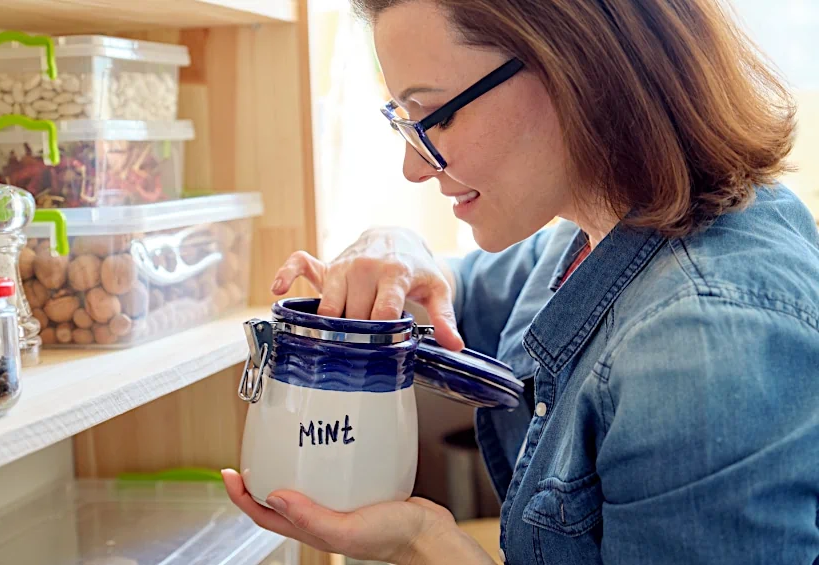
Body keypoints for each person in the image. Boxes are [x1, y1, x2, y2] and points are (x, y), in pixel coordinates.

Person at [221, 0, 819, 563]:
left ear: (576, 64)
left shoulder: (700, 341)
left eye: (434, 115)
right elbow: (455, 291)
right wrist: (397, 246)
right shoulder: (590, 234)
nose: (412, 166)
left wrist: (424, 544)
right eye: (405, 119)